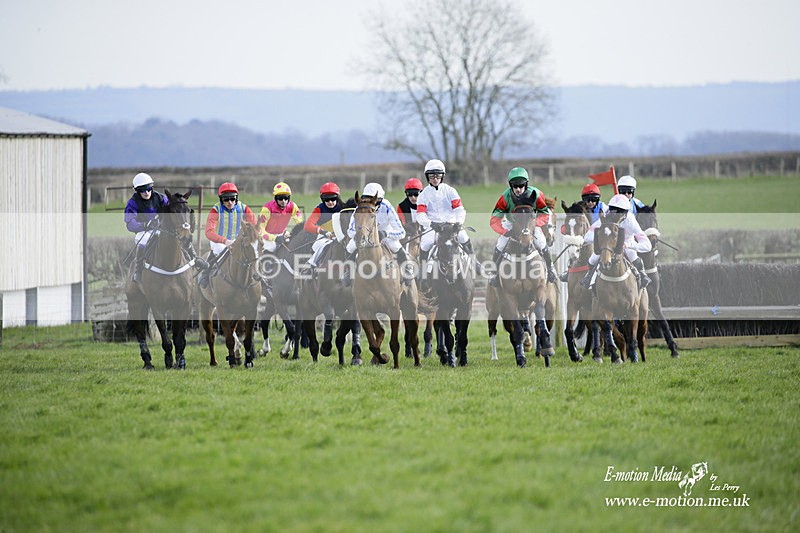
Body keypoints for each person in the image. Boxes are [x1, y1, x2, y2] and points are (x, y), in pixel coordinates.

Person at [124, 172, 206, 284]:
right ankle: (138, 269)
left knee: (180, 235)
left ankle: (195, 258)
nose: (146, 192)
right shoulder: (132, 203)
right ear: (137, 191)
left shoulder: (161, 198)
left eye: (148, 188)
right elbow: (130, 223)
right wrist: (145, 225)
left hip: (162, 228)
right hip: (144, 231)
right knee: (142, 240)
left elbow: (171, 210)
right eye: (142, 190)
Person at [488, 167, 557, 286]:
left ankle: (551, 269)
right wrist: (504, 231)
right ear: (511, 186)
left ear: (526, 184)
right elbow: (494, 219)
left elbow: (545, 214)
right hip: (512, 222)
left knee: (541, 242)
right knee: (501, 244)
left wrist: (535, 225)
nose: (518, 189)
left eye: (521, 186)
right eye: (515, 186)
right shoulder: (505, 197)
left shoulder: (536, 194)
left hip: (531, 222)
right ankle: (493, 273)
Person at [579, 193, 652, 290]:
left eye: (618, 212)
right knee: (592, 259)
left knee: (633, 257)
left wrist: (628, 245)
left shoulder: (631, 221)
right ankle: (588, 278)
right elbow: (588, 236)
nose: (614, 215)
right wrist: (602, 239)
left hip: (626, 244)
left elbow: (647, 245)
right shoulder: (605, 217)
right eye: (612, 210)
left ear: (625, 212)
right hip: (608, 245)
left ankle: (642, 277)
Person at [345, 182, 411, 284]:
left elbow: (401, 232)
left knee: (395, 246)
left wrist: (386, 234)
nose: (370, 203)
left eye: (373, 201)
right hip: (365, 235)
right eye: (367, 199)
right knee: (350, 247)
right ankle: (348, 272)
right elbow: (350, 230)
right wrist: (361, 235)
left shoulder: (387, 206)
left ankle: (407, 271)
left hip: (385, 234)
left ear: (379, 201)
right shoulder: (361, 207)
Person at [416, 159, 477, 265]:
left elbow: (460, 210)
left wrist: (458, 223)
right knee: (426, 243)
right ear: (427, 177)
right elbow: (420, 215)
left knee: (463, 237)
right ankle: (423, 271)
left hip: (451, 226)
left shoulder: (450, 191)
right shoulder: (423, 195)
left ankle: (475, 263)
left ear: (442, 176)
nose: (435, 179)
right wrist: (430, 224)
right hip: (433, 227)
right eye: (431, 176)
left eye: (438, 175)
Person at [198, 182, 257, 288]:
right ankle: (205, 274)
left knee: (252, 251)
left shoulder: (244, 208)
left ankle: (259, 276)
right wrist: (225, 241)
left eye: (232, 199)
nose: (230, 202)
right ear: (221, 199)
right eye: (226, 199)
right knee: (218, 250)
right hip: (219, 241)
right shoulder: (215, 210)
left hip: (237, 240)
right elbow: (209, 232)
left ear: (236, 198)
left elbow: (254, 225)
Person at [305, 181, 345, 268]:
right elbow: (307, 225)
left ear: (337, 198)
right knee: (321, 246)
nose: (330, 202)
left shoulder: (344, 208)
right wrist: (322, 231)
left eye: (333, 199)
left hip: (341, 237)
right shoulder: (319, 209)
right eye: (327, 199)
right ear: (323, 199)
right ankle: (310, 266)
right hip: (325, 237)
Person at [258, 182, 303, 253]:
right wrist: (275, 238)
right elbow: (260, 230)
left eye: (286, 198)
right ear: (275, 198)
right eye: (280, 198)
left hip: (282, 234)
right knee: (271, 248)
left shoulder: (293, 206)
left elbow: (300, 223)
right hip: (267, 237)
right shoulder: (267, 208)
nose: (283, 201)